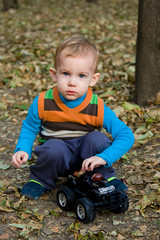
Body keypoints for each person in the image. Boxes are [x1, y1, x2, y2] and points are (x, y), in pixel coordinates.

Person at [11, 35, 135, 199]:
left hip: (89, 160)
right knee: (54, 147)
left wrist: (103, 158)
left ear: (93, 79)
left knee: (97, 139)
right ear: (54, 74)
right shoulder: (42, 102)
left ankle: (104, 175)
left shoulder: (96, 106)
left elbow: (126, 135)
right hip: (57, 158)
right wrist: (23, 149)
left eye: (81, 76)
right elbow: (29, 128)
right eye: (66, 73)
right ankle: (40, 179)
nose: (72, 82)